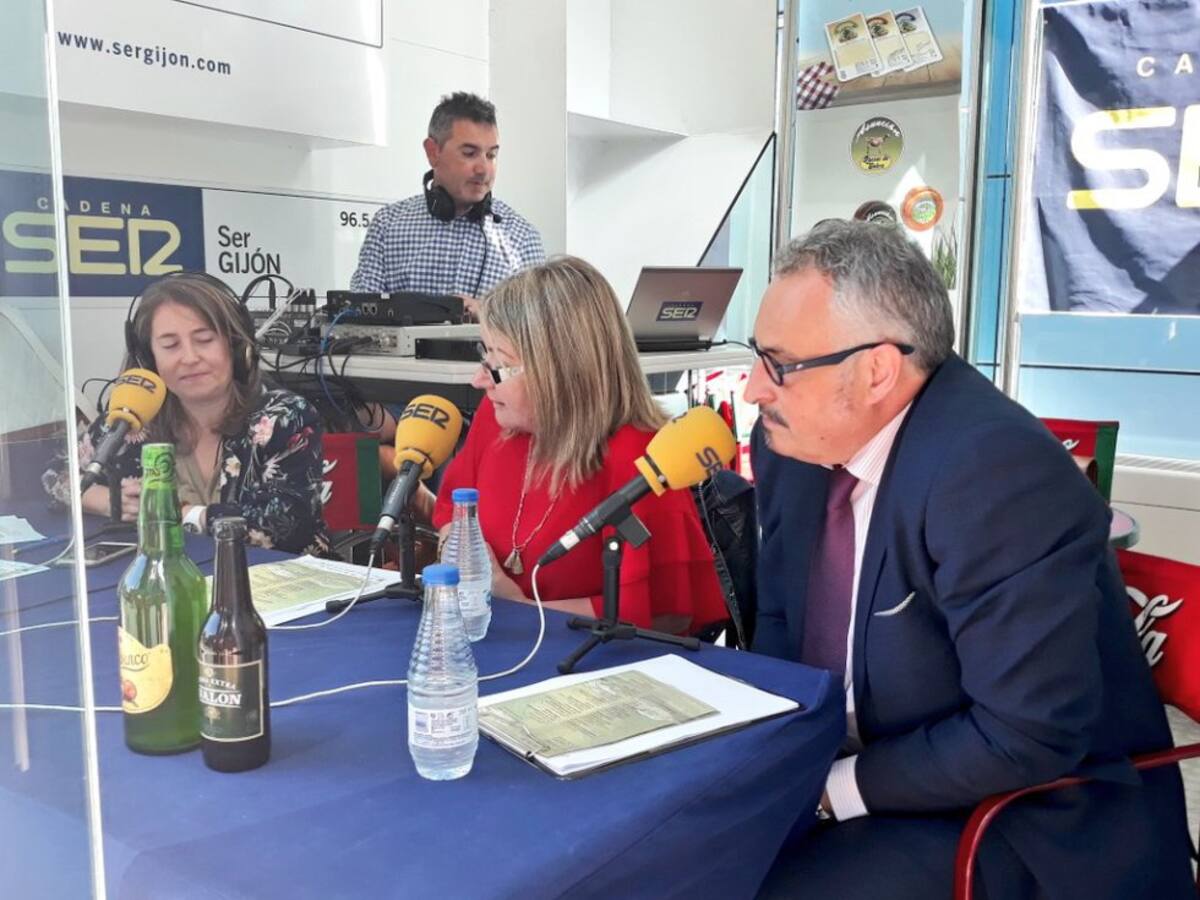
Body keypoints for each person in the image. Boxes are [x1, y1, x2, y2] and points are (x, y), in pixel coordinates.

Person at [746, 221, 1193, 898]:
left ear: (876, 371)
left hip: (1022, 815)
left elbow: (1024, 735)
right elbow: (783, 624)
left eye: (780, 365)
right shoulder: (795, 444)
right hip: (870, 768)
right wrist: (762, 760)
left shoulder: (995, 471)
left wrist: (830, 792)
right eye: (757, 355)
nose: (754, 388)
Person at [421, 256, 728, 634]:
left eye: (497, 365)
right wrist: (460, 552)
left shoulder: (641, 455)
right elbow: (451, 513)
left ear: (559, 371)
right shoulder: (496, 417)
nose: (479, 380)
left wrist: (522, 608)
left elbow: (665, 614)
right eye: (484, 357)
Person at [44, 272, 329, 556]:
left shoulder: (285, 416)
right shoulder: (139, 416)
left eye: (204, 340)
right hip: (173, 573)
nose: (190, 358)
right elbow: (56, 476)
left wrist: (175, 513)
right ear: (148, 358)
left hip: (277, 577)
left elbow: (285, 526)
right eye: (170, 345)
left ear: (236, 346)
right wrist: (109, 501)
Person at [350, 91, 545, 312]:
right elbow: (358, 316)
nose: (483, 169)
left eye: (491, 155)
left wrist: (488, 314)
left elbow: (539, 327)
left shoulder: (522, 238)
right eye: (469, 153)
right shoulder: (387, 226)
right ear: (433, 152)